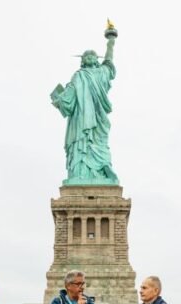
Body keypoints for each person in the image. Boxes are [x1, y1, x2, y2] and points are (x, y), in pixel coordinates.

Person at [50, 25, 119, 185]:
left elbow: (109, 61)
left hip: (97, 117)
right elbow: (69, 97)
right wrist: (60, 99)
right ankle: (79, 173)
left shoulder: (102, 73)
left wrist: (111, 41)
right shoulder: (78, 76)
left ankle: (103, 169)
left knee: (99, 143)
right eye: (86, 56)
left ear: (97, 60)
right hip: (81, 118)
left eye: (92, 55)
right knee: (82, 142)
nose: (89, 57)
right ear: (82, 61)